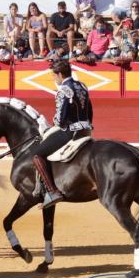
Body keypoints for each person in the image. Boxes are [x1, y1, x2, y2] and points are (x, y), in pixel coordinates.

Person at [32, 59, 92, 209]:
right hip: (86, 129)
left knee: (37, 155)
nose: (54, 79)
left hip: (70, 132)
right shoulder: (82, 86)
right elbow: (90, 111)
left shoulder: (64, 90)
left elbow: (60, 119)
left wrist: (49, 124)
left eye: (54, 76)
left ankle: (53, 191)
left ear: (59, 74)